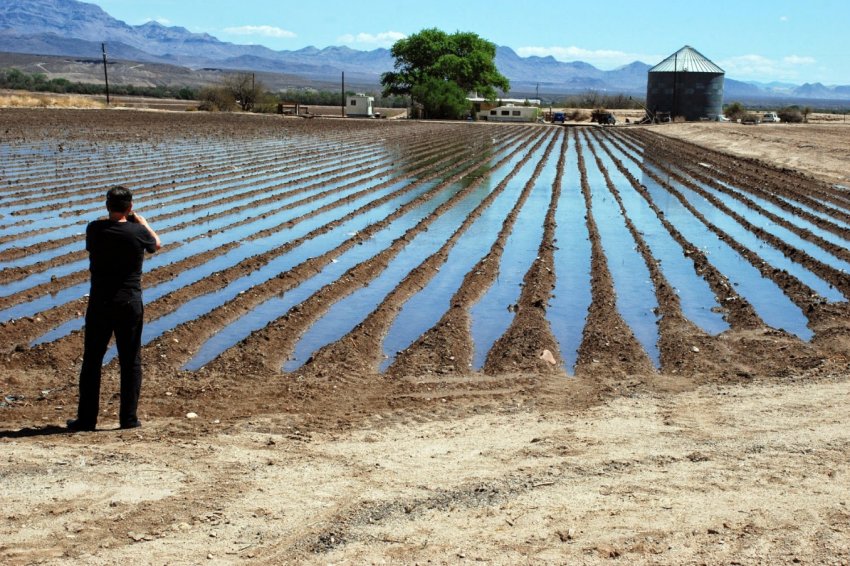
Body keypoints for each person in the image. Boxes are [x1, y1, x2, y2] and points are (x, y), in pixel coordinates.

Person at [67, 186, 161, 431]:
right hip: (129, 302)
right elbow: (156, 245)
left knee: (92, 361)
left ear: (107, 206)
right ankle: (128, 419)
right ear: (130, 207)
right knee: (130, 361)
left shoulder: (94, 229)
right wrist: (142, 221)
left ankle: (86, 420)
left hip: (100, 303)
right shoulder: (138, 231)